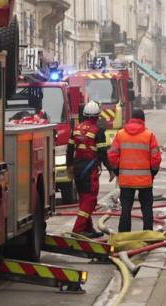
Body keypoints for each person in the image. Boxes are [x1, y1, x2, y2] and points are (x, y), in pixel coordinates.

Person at [108, 109, 161, 232]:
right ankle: (148, 234)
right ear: (143, 120)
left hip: (126, 180)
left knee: (126, 209)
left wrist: (117, 171)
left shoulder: (120, 134)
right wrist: (153, 172)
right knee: (147, 208)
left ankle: (124, 234)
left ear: (131, 118)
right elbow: (156, 158)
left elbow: (112, 155)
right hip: (145, 180)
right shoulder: (149, 135)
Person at [66, 101, 110, 238]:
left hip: (78, 168)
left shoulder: (76, 129)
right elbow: (102, 153)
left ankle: (88, 228)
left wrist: (70, 167)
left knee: (84, 199)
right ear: (97, 116)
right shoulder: (98, 131)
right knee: (90, 200)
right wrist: (111, 169)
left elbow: (69, 150)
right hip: (89, 170)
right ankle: (78, 230)